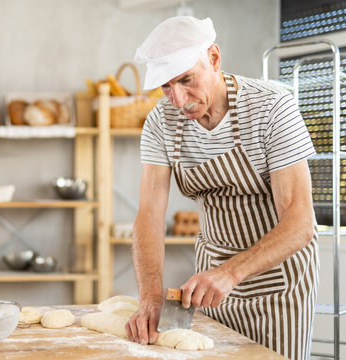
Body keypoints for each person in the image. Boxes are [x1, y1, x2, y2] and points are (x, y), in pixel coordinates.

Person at [125, 16, 319, 360]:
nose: (179, 99)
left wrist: (231, 272)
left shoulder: (272, 106)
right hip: (209, 283)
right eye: (166, 87)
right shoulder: (161, 122)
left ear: (214, 58)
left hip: (278, 286)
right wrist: (150, 297)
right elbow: (149, 216)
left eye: (187, 79)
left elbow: (301, 223)